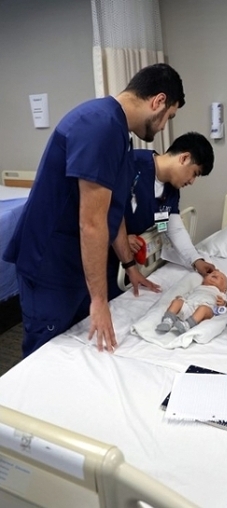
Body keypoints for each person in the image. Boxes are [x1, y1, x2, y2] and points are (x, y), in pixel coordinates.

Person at [3, 63, 185, 356]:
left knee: (76, 351)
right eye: (169, 117)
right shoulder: (99, 126)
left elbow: (113, 209)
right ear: (158, 101)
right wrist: (99, 300)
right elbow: (92, 222)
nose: (164, 126)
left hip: (75, 264)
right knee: (45, 354)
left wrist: (129, 265)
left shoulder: (119, 134)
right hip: (51, 265)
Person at [108, 132, 216, 300]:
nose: (192, 181)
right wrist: (119, 236)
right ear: (184, 158)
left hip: (126, 263)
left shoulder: (171, 191)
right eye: (195, 173)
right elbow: (98, 207)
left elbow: (171, 228)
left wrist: (196, 260)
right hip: (98, 252)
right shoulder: (133, 165)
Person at [156, 269, 227, 335]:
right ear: (204, 280)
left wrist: (223, 303)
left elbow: (225, 305)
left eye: (221, 278)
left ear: (224, 289)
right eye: (212, 274)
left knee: (203, 308)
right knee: (176, 301)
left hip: (205, 311)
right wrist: (181, 298)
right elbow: (188, 295)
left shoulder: (220, 293)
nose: (215, 274)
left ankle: (187, 325)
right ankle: (168, 320)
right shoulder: (198, 287)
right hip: (189, 306)